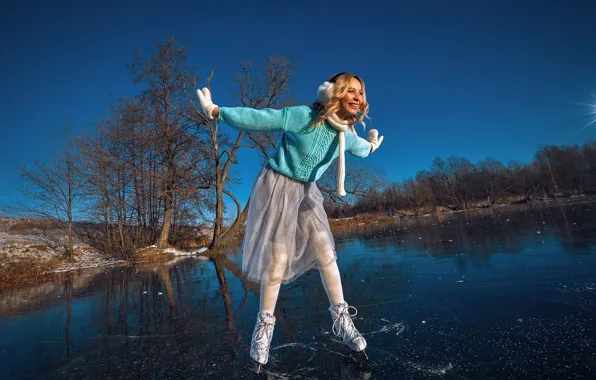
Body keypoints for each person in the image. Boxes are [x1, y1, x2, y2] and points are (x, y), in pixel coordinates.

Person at [196, 72, 384, 366]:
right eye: (351, 90)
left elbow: (359, 150)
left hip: (307, 192)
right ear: (333, 93)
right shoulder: (304, 116)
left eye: (361, 92)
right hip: (278, 187)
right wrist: (217, 111)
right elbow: (259, 118)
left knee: (325, 251)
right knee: (278, 258)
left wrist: (372, 145)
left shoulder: (346, 134)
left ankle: (343, 321)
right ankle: (264, 327)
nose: (358, 97)